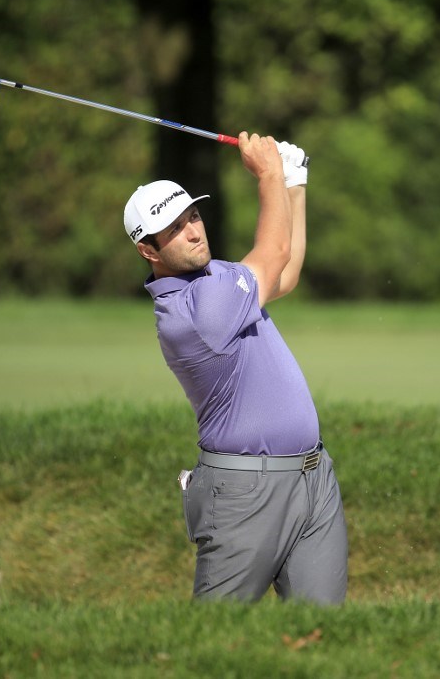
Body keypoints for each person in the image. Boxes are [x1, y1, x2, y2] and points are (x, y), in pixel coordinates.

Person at [122, 133, 348, 604]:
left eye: (194, 216)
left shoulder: (215, 276)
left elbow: (283, 275)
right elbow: (273, 254)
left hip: (312, 477)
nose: (194, 231)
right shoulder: (194, 312)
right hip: (246, 493)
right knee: (213, 641)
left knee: (324, 633)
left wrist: (295, 183)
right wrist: (269, 174)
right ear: (148, 250)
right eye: (175, 228)